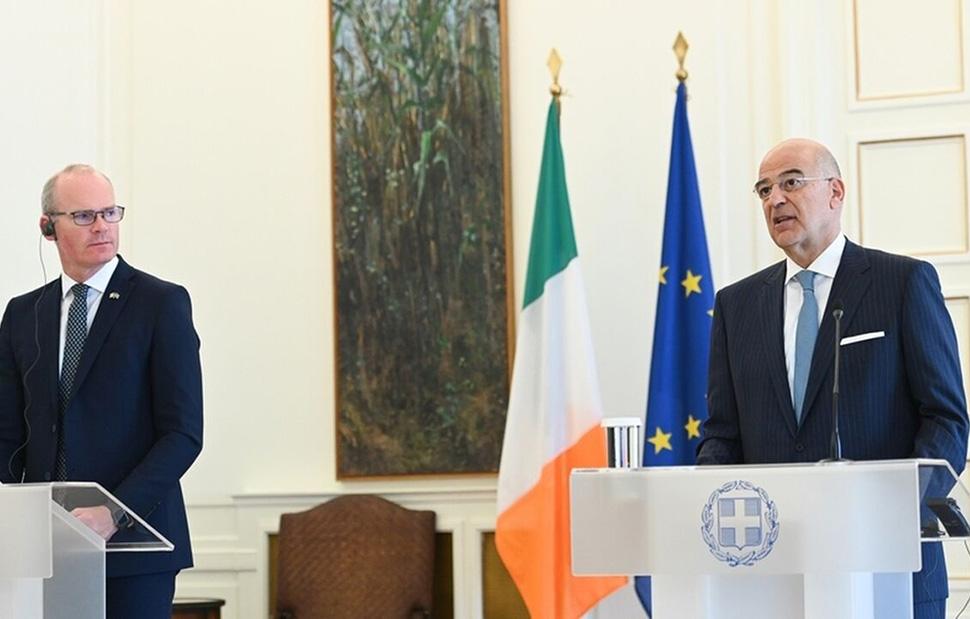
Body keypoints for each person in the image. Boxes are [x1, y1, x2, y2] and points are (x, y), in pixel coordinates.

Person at [696, 138, 968, 618]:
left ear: (835, 192)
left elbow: (946, 420)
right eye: (764, 190)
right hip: (772, 576)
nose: (775, 199)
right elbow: (723, 434)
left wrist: (899, 511)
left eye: (791, 182)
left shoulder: (902, 282)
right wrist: (700, 501)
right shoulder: (737, 306)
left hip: (890, 567)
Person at [0, 164, 203, 618]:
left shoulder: (161, 303)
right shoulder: (22, 314)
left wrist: (114, 512)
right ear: (48, 227)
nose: (102, 226)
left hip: (135, 548)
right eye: (84, 216)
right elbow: (7, 434)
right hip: (43, 552)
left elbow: (183, 434)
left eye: (110, 213)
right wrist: (15, 519)